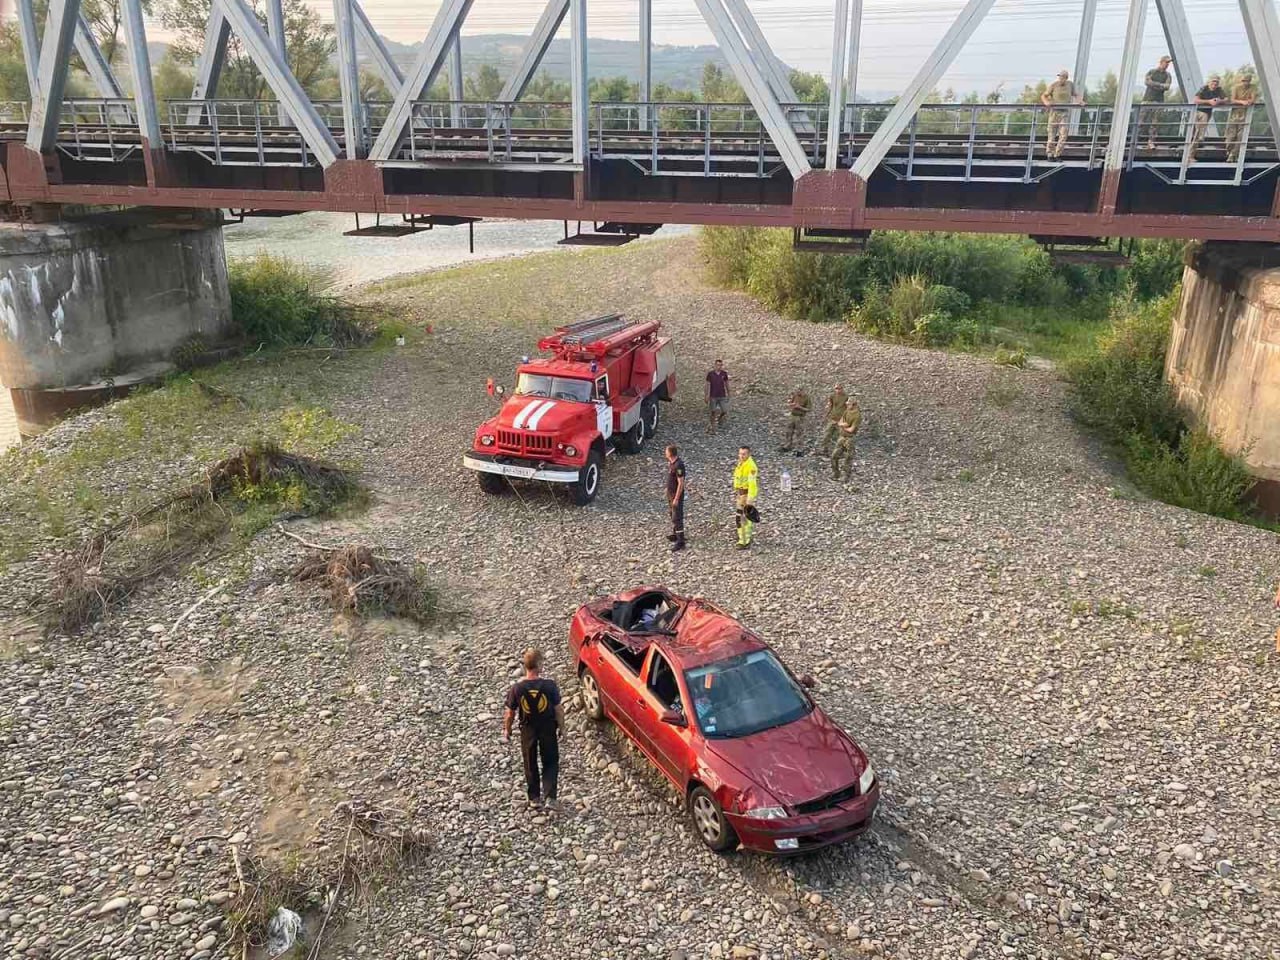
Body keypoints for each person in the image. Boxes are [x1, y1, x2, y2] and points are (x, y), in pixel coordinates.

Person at [502, 648, 563, 808]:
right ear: (539, 665)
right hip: (548, 727)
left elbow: (510, 713)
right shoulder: (550, 686)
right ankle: (550, 797)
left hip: (527, 729)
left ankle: (534, 797)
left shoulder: (517, 688)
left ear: (525, 666)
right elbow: (558, 709)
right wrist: (562, 728)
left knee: (530, 761)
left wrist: (507, 729)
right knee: (550, 761)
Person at [1041, 70, 1081, 159]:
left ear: (1066, 78)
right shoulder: (1054, 85)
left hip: (1064, 113)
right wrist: (1046, 102)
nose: (1060, 79)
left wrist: (1080, 101)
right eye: (1060, 77)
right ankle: (1050, 154)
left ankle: (1057, 154)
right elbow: (1044, 95)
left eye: (1062, 77)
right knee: (1051, 134)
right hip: (1054, 113)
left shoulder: (1070, 85)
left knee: (1063, 134)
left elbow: (1076, 95)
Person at [1191, 75, 1228, 158]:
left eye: (1216, 83)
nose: (1214, 85)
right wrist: (1209, 101)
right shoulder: (1204, 88)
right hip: (1200, 112)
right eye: (1213, 82)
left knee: (1199, 134)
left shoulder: (1219, 90)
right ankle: (1190, 155)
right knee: (1198, 134)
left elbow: (1226, 99)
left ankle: (1194, 152)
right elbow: (1196, 100)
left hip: (1208, 113)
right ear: (1209, 82)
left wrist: (1219, 101)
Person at [1142, 55, 1174, 148]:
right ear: (1161, 62)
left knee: (1155, 123)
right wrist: (1160, 85)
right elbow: (1147, 82)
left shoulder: (1168, 75)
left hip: (1159, 101)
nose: (1167, 64)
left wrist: (1155, 85)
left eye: (1168, 63)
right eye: (1166, 62)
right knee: (1140, 122)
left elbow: (1167, 86)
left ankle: (1151, 141)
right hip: (1147, 100)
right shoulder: (1152, 72)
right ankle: (1133, 140)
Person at [1226, 73, 1257, 162]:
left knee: (1241, 136)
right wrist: (1242, 102)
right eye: (1243, 81)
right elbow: (1232, 99)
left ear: (1249, 81)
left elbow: (1253, 99)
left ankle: (1232, 154)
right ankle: (1229, 151)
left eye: (1247, 81)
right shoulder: (1236, 87)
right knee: (1231, 136)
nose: (1245, 83)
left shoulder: (1253, 87)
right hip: (1235, 114)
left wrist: (1249, 101)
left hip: (1245, 115)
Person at [732, 445, 759, 550]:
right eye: (740, 454)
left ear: (749, 454)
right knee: (744, 517)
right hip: (741, 493)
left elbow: (752, 484)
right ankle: (743, 536)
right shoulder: (742, 463)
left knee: (741, 518)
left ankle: (744, 541)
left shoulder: (750, 466)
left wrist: (750, 499)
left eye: (744, 454)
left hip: (746, 494)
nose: (741, 456)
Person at [830, 395, 862, 481]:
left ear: (854, 405)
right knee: (834, 456)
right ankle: (836, 473)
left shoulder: (857, 415)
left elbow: (851, 429)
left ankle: (846, 476)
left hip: (850, 439)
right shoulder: (847, 411)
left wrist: (843, 426)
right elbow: (841, 421)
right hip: (842, 437)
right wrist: (844, 425)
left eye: (849, 404)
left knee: (848, 458)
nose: (847, 405)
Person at [665, 444, 686, 552]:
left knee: (677, 517)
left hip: (675, 495)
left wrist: (676, 498)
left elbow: (681, 483)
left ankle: (681, 541)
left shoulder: (678, 465)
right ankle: (675, 534)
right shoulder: (671, 463)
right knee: (672, 514)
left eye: (666, 451)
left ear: (670, 453)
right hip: (670, 493)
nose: (665, 453)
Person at [818, 385, 848, 457]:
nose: (838, 390)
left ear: (842, 389)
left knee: (840, 437)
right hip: (832, 419)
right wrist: (825, 415)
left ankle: (840, 452)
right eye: (836, 389)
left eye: (840, 389)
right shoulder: (832, 396)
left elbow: (849, 409)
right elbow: (830, 406)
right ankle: (823, 450)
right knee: (827, 435)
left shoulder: (846, 397)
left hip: (841, 420)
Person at [780, 387, 811, 454]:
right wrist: (791, 405)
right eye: (797, 391)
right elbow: (789, 403)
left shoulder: (807, 398)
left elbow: (808, 409)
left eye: (799, 391)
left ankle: (799, 449)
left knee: (799, 433)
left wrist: (800, 407)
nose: (797, 393)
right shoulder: (795, 395)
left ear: (802, 391)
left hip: (800, 417)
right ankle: (788, 445)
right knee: (789, 431)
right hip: (792, 415)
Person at [705, 360, 730, 433]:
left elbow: (726, 383)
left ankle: (720, 418)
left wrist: (729, 393)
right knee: (713, 411)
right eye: (718, 365)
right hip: (713, 395)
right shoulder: (710, 374)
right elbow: (707, 384)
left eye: (720, 365)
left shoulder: (724, 374)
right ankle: (712, 426)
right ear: (715, 365)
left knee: (724, 410)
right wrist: (706, 395)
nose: (719, 367)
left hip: (722, 395)